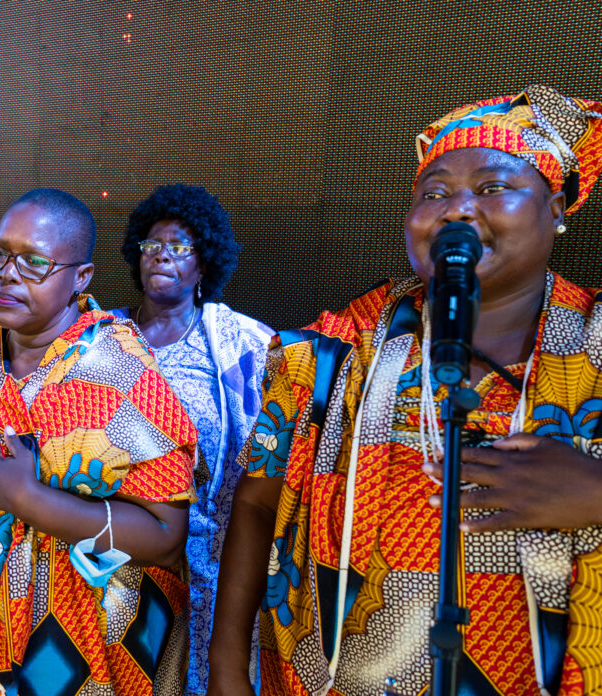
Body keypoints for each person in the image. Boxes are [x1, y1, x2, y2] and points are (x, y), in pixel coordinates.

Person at [208, 85, 602, 696]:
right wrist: (227, 667)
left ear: (556, 207)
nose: (457, 210)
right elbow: (258, 504)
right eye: (434, 193)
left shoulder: (595, 342)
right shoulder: (332, 351)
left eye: (493, 188)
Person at [0, 188, 198, 695]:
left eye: (35, 262)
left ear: (80, 278)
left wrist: (30, 501)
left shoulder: (122, 372)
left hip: (89, 648)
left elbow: (166, 534)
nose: (7, 274)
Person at [110, 184, 273, 696]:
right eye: (151, 245)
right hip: (120, 556)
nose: (161, 254)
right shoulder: (100, 338)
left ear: (204, 265)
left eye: (180, 247)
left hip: (211, 554)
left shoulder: (241, 343)